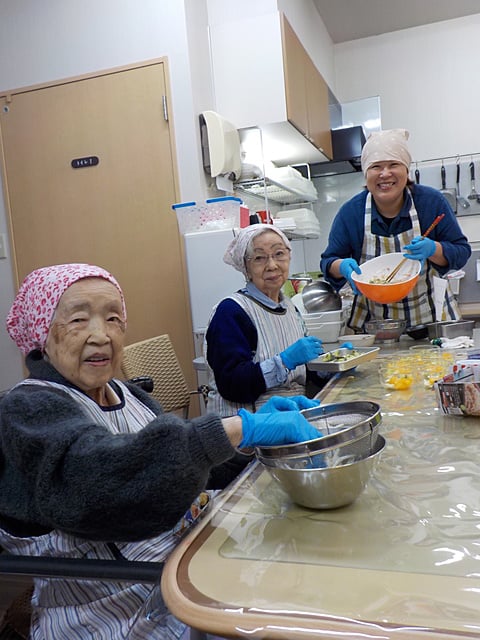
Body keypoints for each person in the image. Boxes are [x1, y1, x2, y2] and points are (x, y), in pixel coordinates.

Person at [0, 263, 322, 640]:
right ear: (42, 332)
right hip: (113, 609)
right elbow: (95, 481)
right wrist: (235, 427)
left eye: (113, 318)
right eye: (78, 320)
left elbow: (176, 465)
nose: (101, 335)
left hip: (183, 570)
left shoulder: (127, 394)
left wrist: (250, 442)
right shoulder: (28, 408)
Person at [320, 129, 471, 332]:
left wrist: (433, 249)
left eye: (393, 165)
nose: (385, 174)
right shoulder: (351, 213)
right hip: (374, 328)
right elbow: (328, 262)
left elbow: (461, 252)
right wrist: (343, 267)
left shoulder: (431, 202)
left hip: (432, 321)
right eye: (376, 167)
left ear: (406, 169)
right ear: (366, 173)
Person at [205, 224, 333, 417]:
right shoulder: (231, 312)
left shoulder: (290, 308)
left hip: (290, 415)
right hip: (249, 428)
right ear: (246, 267)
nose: (272, 265)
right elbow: (231, 384)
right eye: (259, 258)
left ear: (289, 257)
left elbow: (306, 371)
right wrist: (284, 361)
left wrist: (332, 366)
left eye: (279, 254)